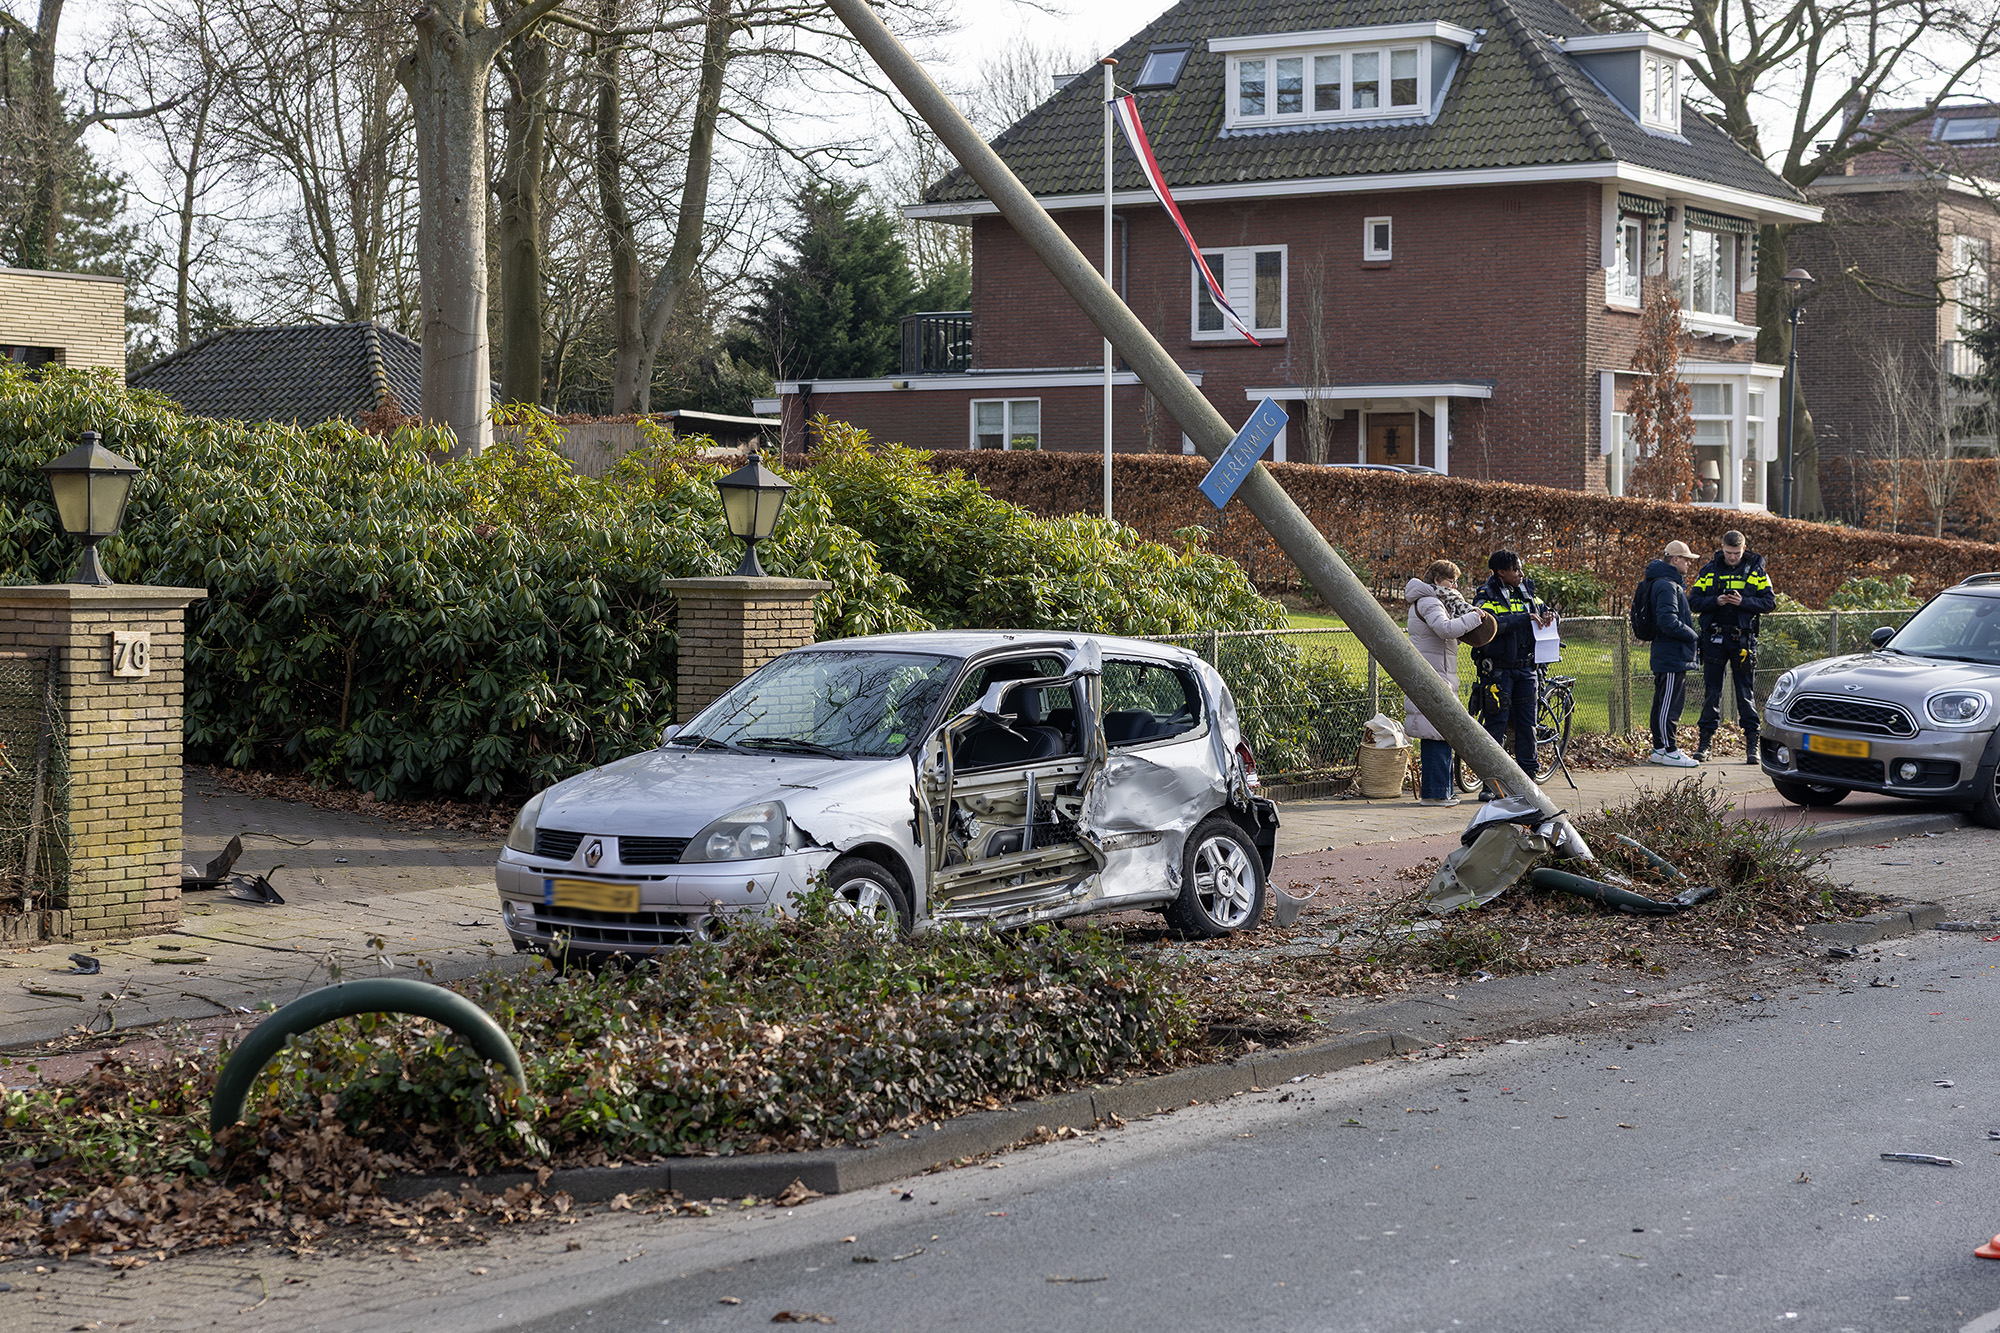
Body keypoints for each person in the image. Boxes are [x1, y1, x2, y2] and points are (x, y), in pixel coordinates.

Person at [1404, 560, 1490, 806]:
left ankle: (1441, 790)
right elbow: (1444, 629)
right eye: (1450, 580)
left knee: (1439, 732)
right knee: (1437, 732)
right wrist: (1474, 618)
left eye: (1456, 581)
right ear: (1436, 580)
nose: (1454, 585)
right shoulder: (1431, 601)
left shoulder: (1433, 601)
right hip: (1435, 674)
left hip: (1438, 671)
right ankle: (1437, 793)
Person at [1689, 529, 1777, 765]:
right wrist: (1715, 601)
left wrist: (1744, 602)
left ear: (1743, 549)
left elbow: (1770, 602)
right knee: (1711, 693)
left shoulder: (1757, 571)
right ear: (1722, 548)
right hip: (1715, 639)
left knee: (1745, 695)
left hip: (1742, 640)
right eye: (1728, 552)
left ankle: (1752, 746)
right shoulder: (1709, 570)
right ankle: (1705, 744)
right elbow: (1693, 601)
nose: (1732, 557)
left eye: (1736, 553)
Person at [1473, 550, 1554, 786]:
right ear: (1501, 572)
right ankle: (1492, 783)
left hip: (1527, 669)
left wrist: (1549, 614)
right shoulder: (1485, 596)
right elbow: (1488, 624)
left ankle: (1527, 780)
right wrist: (1524, 618)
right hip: (1499, 672)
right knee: (1496, 726)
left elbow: (1543, 610)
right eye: (1516, 569)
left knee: (1527, 726)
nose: (1521, 573)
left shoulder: (1527, 591)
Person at [1641, 540, 1702, 766]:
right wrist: (1693, 635)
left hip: (1670, 654)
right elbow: (1668, 621)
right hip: (1671, 655)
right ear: (1675, 560)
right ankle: (1669, 749)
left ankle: (1660, 749)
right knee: (1669, 705)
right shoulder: (1666, 585)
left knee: (1664, 703)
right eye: (1686, 560)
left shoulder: (1665, 583)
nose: (1689, 564)